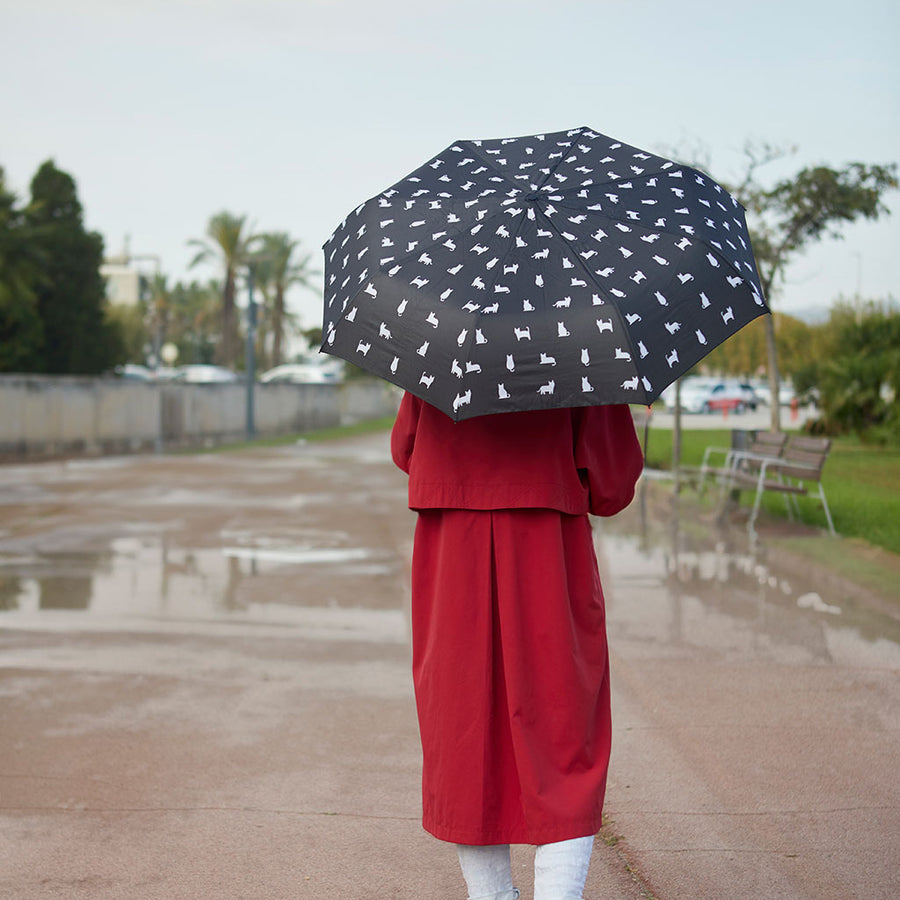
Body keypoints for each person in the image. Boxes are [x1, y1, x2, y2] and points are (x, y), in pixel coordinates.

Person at [391, 393, 644, 900]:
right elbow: (613, 487)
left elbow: (405, 450)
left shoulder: (445, 358)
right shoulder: (581, 362)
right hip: (546, 555)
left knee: (464, 736)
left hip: (453, 557)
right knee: (563, 735)